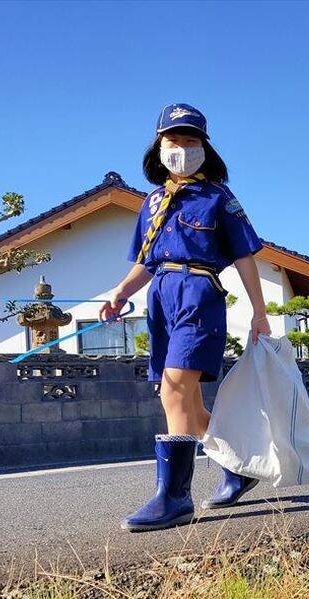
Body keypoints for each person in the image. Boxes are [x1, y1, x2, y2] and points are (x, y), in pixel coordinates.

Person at [100, 103, 270, 532]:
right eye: (172, 140)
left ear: (205, 148)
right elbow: (146, 260)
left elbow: (245, 256)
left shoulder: (218, 197)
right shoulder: (152, 202)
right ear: (158, 147)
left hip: (200, 293)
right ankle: (238, 469)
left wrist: (260, 312)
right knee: (184, 403)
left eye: (190, 140)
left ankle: (174, 498)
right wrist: (120, 293)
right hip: (161, 296)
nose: (181, 147)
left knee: (176, 389)